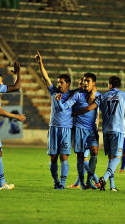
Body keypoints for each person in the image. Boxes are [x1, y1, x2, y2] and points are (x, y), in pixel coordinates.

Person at [74, 76, 125, 191]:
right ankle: (104, 179)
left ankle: (112, 186)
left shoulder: (103, 96)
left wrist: (75, 112)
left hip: (106, 131)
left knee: (111, 158)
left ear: (110, 85)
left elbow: (89, 108)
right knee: (117, 157)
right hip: (118, 130)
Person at [55, 73, 101, 190]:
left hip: (92, 129)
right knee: (80, 156)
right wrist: (59, 102)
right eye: (84, 81)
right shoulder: (77, 95)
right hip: (79, 129)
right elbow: (64, 107)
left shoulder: (98, 96)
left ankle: (89, 180)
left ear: (93, 83)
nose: (85, 83)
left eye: (88, 81)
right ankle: (82, 183)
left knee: (94, 152)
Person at [35, 51, 73, 189]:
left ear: (68, 84)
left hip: (66, 129)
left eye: (62, 82)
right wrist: (40, 63)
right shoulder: (54, 92)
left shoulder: (72, 95)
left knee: (64, 156)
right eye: (58, 82)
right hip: (53, 128)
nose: (59, 84)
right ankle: (56, 181)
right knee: (53, 157)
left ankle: (62, 183)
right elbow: (46, 78)